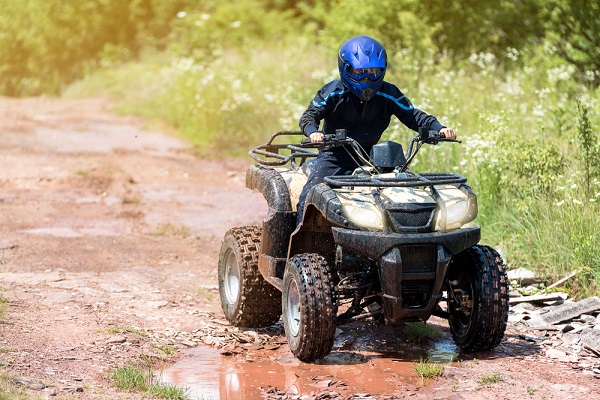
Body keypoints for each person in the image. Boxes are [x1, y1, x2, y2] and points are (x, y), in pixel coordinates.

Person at [295, 35, 456, 225]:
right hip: (334, 156)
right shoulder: (333, 92)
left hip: (372, 156)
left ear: (383, 70)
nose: (367, 78)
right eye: (360, 71)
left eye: (373, 72)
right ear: (345, 69)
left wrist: (440, 128)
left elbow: (413, 116)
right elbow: (309, 116)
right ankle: (297, 237)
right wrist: (314, 132)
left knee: (406, 193)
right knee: (311, 193)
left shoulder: (388, 93)